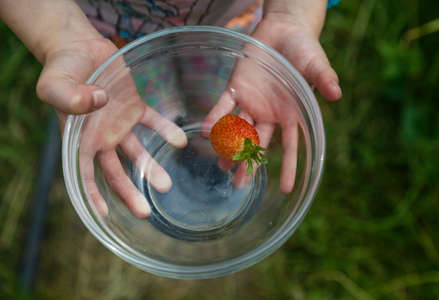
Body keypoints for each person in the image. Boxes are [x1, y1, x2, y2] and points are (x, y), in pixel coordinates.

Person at [0, 0, 342, 218]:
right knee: (132, 108)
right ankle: (168, 157)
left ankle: (205, 164)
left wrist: (290, 13)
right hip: (106, 34)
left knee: (224, 102)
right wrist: (61, 36)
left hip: (233, 21)